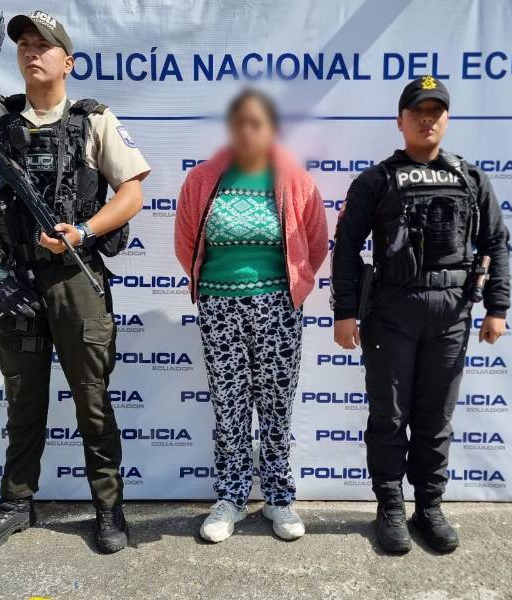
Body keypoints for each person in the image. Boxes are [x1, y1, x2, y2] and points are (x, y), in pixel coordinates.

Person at [0, 11, 150, 555]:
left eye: (42, 44)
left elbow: (133, 191)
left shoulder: (94, 120)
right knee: (23, 399)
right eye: (23, 43)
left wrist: (84, 231)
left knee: (92, 399)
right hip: (15, 281)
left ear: (67, 61)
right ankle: (16, 504)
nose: (30, 51)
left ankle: (108, 508)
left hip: (74, 277)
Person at [330, 75, 510, 554]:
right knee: (389, 416)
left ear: (446, 120)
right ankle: (390, 507)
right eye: (418, 112)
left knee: (435, 416)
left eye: (435, 112)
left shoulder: (471, 179)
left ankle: (429, 506)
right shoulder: (375, 180)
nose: (427, 120)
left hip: (451, 314)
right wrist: (344, 311)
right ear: (400, 121)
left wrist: (498, 307)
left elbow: (495, 243)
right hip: (392, 311)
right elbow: (346, 247)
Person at [175, 89, 328, 543]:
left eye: (256, 123)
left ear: (272, 129)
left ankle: (279, 498)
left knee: (276, 406)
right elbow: (187, 242)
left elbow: (314, 243)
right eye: (239, 122)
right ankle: (232, 497)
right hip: (219, 307)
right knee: (230, 406)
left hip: (278, 306)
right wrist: (216, 290)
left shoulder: (295, 181)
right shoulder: (203, 179)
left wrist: (287, 287)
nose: (247, 131)